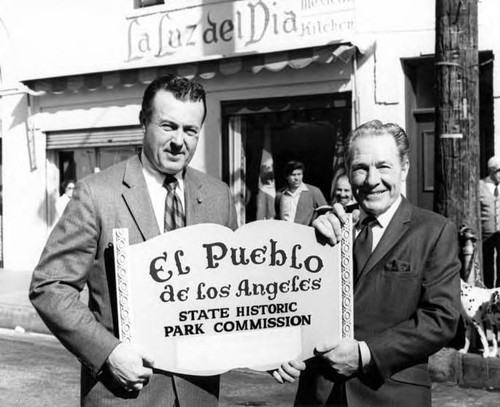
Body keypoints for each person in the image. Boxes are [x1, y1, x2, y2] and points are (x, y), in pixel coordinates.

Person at [30, 74, 237, 406]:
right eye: (168, 126)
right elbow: (50, 285)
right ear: (144, 123)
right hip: (123, 394)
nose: (178, 141)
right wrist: (109, 353)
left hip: (197, 394)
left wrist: (272, 348)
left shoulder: (218, 196)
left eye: (190, 130)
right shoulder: (97, 194)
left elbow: (235, 291)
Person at [273, 120, 462, 407]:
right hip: (320, 396)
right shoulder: (326, 228)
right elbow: (290, 303)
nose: (372, 179)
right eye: (361, 168)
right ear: (348, 172)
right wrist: (279, 351)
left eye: (383, 166)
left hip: (391, 396)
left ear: (405, 168)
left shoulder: (434, 231)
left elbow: (441, 319)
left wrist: (365, 354)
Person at [275, 160, 327, 225]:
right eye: (293, 175)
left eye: (299, 174)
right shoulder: (280, 194)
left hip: (304, 232)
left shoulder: (313, 191)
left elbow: (325, 212)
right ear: (286, 176)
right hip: (285, 231)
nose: (296, 178)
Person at [479, 156, 500, 288]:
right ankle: (487, 289)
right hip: (485, 234)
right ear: (492, 171)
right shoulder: (480, 186)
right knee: (487, 263)